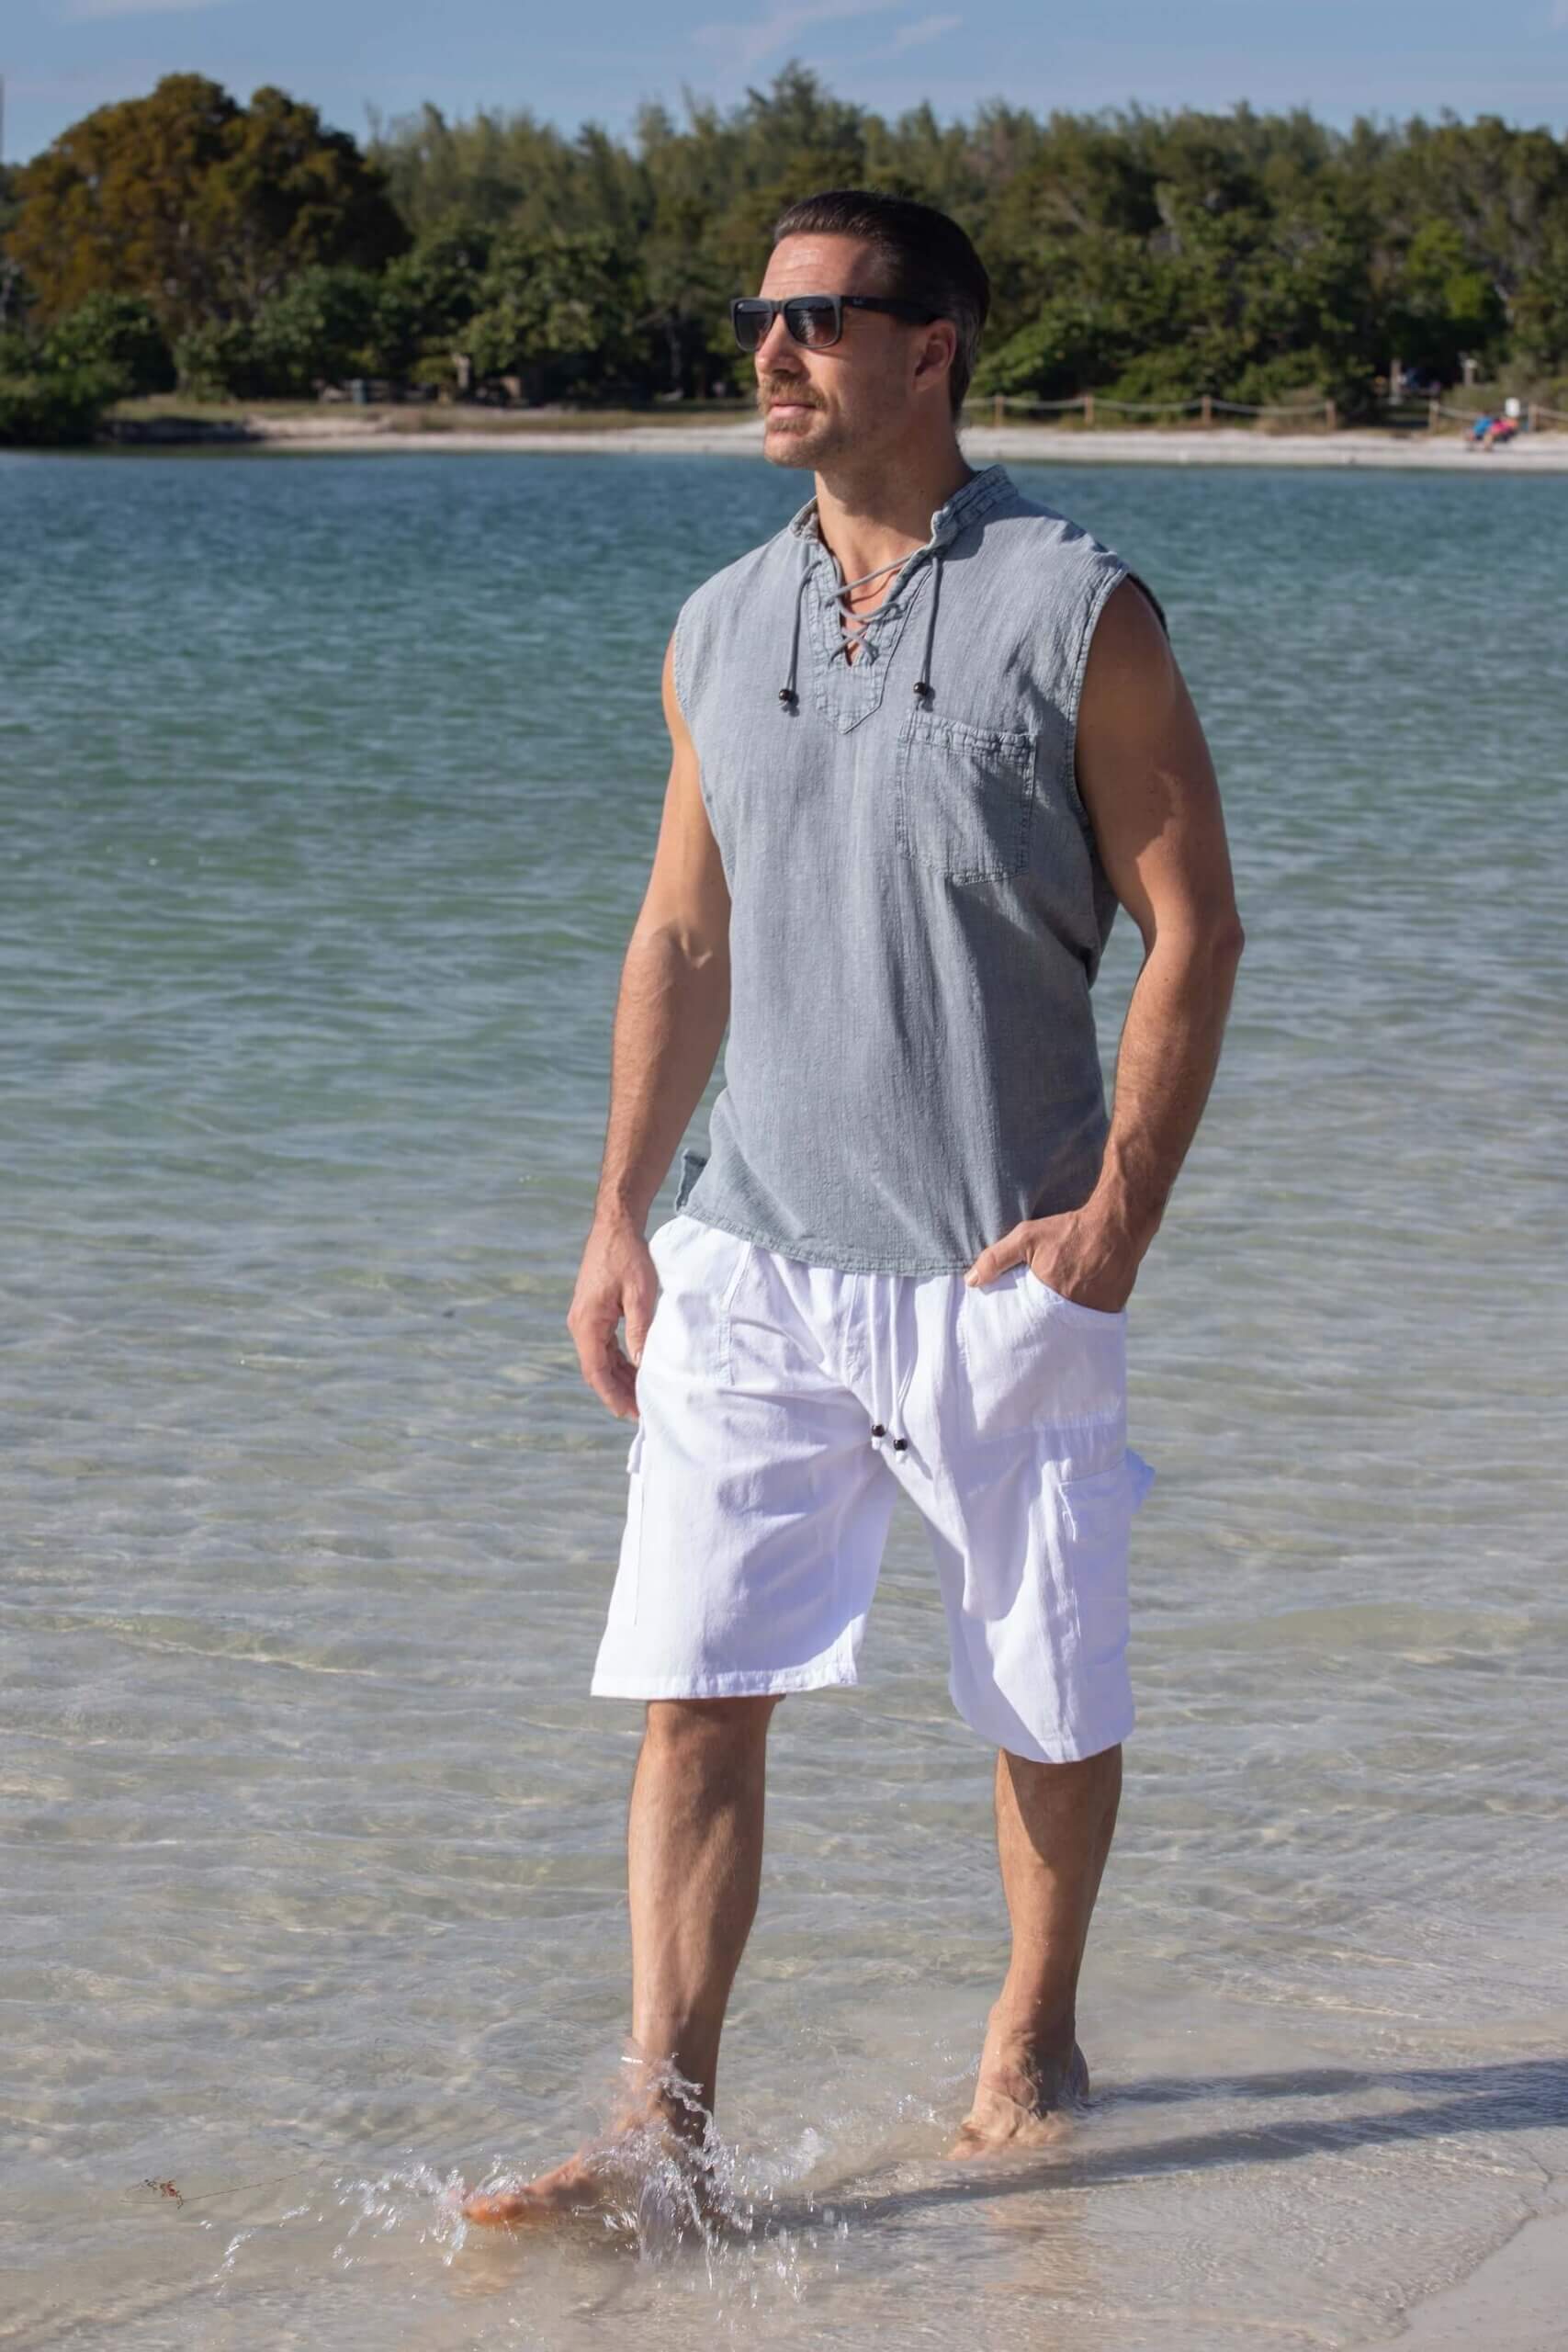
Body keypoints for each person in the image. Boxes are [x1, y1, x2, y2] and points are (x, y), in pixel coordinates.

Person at [463, 188, 1245, 2227]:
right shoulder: (718, 621)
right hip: (747, 1249)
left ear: (933, 347)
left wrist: (1113, 1223)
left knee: (1043, 1695)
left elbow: (1193, 927)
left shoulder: (1077, 607)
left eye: (816, 318)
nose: (771, 350)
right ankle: (663, 2127)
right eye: (760, 316)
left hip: (998, 1254)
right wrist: (620, 1217)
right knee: (693, 1692)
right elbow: (681, 934)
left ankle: (1031, 2038)